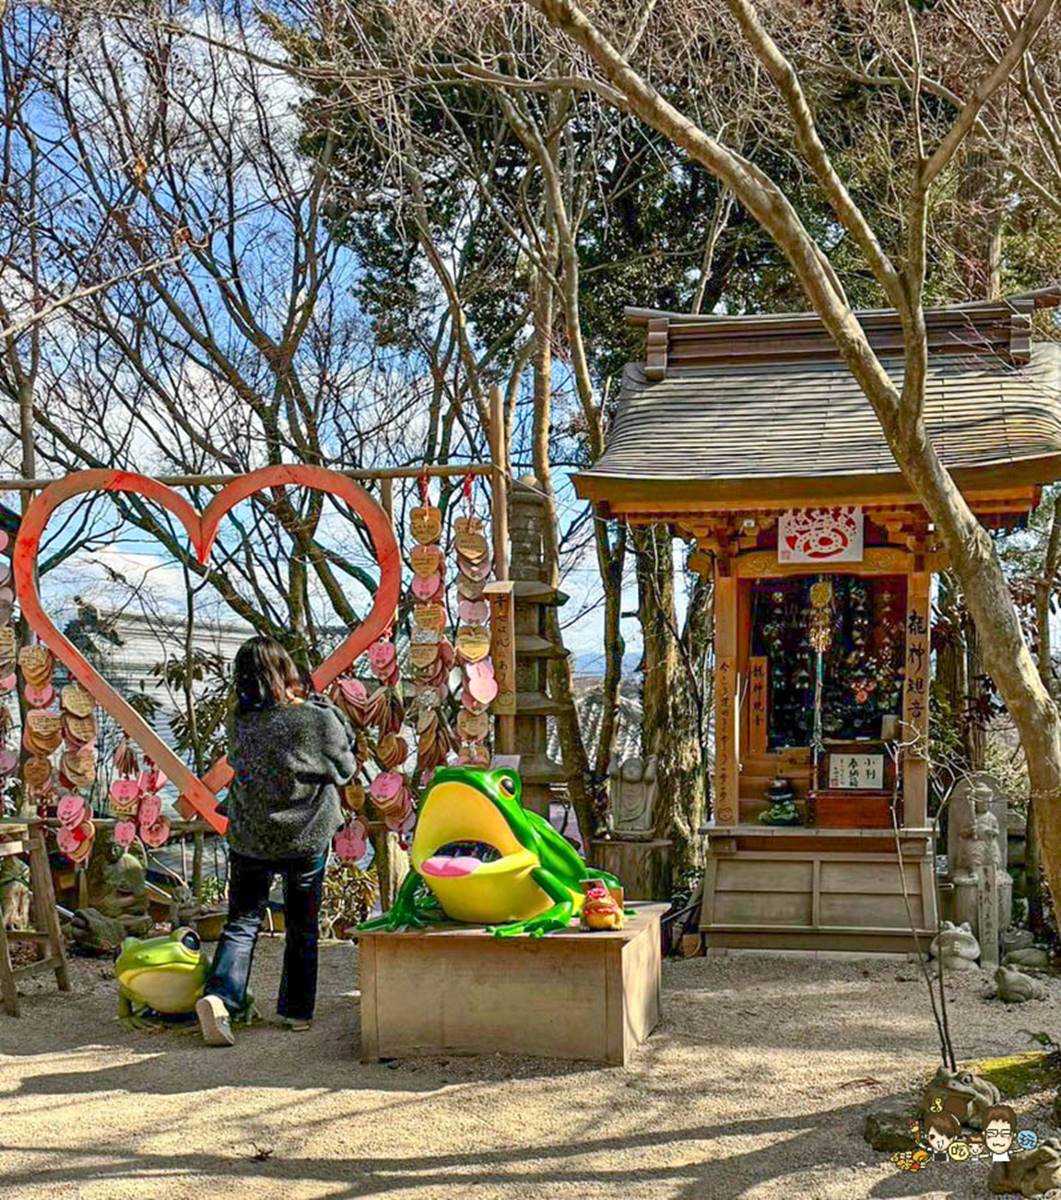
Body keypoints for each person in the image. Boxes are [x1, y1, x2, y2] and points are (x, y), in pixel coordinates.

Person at [196, 636, 356, 1046]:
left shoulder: (240, 721)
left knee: (242, 921)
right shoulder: (313, 719)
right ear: (284, 671)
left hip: (251, 835)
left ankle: (220, 997)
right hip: (305, 835)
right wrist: (325, 708)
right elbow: (345, 766)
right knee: (302, 924)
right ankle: (296, 1012)